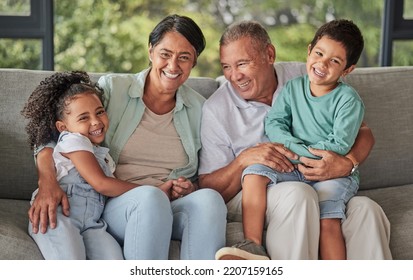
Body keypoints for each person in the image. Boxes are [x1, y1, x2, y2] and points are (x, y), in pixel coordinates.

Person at [26, 14, 227, 260]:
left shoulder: (201, 109)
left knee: (209, 200)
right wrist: (47, 181)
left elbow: (204, 172)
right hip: (117, 203)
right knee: (151, 197)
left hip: (168, 202)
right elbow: (53, 133)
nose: (173, 66)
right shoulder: (114, 89)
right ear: (151, 51)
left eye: (184, 57)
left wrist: (189, 187)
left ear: (194, 62)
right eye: (165, 54)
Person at [199, 20, 392, 260]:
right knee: (298, 194)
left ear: (269, 54)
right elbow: (207, 187)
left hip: (314, 175)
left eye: (242, 63)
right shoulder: (215, 109)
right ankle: (252, 245)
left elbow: (363, 132)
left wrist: (348, 162)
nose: (234, 76)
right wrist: (243, 161)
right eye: (226, 66)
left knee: (367, 209)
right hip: (257, 188)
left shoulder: (306, 75)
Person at [21, 71, 138, 259]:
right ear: (63, 127)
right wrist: (151, 189)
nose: (96, 121)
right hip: (57, 215)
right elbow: (101, 184)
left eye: (100, 112)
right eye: (83, 118)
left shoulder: (104, 156)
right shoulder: (73, 140)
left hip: (93, 224)